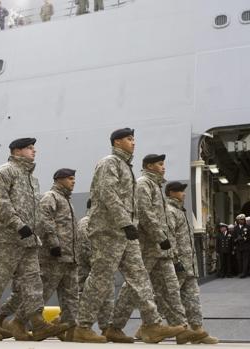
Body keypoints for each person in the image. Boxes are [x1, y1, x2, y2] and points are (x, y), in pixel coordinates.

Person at [73, 128, 185, 343]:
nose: (133, 142)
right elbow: (107, 193)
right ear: (117, 142)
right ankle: (83, 326)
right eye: (129, 139)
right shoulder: (110, 163)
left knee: (140, 277)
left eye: (134, 139)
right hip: (108, 231)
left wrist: (129, 226)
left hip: (126, 234)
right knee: (100, 279)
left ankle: (152, 325)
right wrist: (125, 222)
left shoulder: (126, 167)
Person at [0, 138, 68, 341]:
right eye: (29, 148)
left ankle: (37, 323)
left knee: (34, 281)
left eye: (34, 148)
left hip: (28, 240)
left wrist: (36, 233)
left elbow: (35, 211)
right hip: (4, 237)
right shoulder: (4, 171)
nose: (34, 151)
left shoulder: (32, 179)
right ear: (17, 151)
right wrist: (19, 225)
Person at [112, 154, 206, 343]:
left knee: (170, 289)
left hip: (162, 250)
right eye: (160, 164)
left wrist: (167, 245)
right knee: (133, 289)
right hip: (148, 247)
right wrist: (160, 237)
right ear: (149, 166)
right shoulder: (143, 184)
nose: (164, 167)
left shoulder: (156, 186)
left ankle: (181, 328)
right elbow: (145, 214)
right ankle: (114, 327)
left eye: (163, 164)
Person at [159, 181, 218, 344]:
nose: (183, 194)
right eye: (180, 191)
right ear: (171, 193)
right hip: (177, 266)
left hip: (189, 266)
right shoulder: (169, 211)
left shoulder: (181, 211)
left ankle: (197, 331)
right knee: (168, 299)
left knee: (193, 299)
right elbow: (168, 238)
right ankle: (149, 325)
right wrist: (175, 260)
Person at [37, 168, 79, 341]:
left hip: (69, 257)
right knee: (43, 292)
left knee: (71, 296)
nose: (73, 181)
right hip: (55, 256)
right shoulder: (51, 197)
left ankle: (70, 329)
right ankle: (20, 322)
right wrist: (54, 243)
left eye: (73, 179)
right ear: (59, 180)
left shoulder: (66, 200)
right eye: (70, 178)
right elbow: (44, 219)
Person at [76, 199, 114, 334]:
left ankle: (106, 327)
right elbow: (86, 247)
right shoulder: (86, 222)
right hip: (90, 269)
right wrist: (99, 262)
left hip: (100, 266)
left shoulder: (98, 223)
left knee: (107, 295)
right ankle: (77, 326)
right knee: (85, 296)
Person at [235, 214, 250, 278]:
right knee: (239, 260)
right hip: (238, 246)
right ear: (238, 220)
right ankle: (240, 272)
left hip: (245, 246)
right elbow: (233, 237)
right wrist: (236, 239)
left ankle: (244, 273)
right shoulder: (236, 228)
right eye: (240, 220)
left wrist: (243, 239)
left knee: (245, 260)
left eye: (243, 219)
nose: (242, 221)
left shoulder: (248, 227)